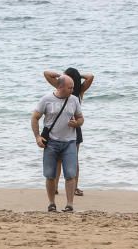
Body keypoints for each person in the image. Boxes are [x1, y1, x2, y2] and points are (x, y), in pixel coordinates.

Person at [31, 74, 83, 212]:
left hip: (70, 142)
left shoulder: (74, 100)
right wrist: (37, 137)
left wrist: (77, 123)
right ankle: (51, 203)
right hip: (51, 143)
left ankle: (69, 204)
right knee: (49, 175)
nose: (72, 90)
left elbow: (81, 118)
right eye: (70, 87)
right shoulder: (46, 99)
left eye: (73, 87)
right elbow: (35, 117)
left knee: (70, 174)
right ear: (60, 87)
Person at [43, 67, 93, 196]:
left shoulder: (67, 88)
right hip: (74, 126)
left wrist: (64, 76)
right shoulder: (80, 89)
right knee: (73, 159)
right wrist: (75, 76)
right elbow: (90, 77)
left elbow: (47, 74)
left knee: (59, 160)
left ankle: (55, 187)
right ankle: (74, 187)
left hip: (72, 127)